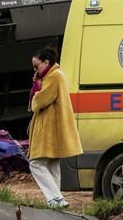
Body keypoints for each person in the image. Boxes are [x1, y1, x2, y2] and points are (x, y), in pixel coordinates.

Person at [28, 47, 83, 209]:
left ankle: (55, 198)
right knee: (52, 164)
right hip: (56, 129)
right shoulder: (56, 75)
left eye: (37, 66)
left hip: (50, 129)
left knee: (35, 163)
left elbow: (39, 103)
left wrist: (37, 87)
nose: (35, 70)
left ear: (46, 62)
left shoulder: (53, 76)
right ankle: (57, 200)